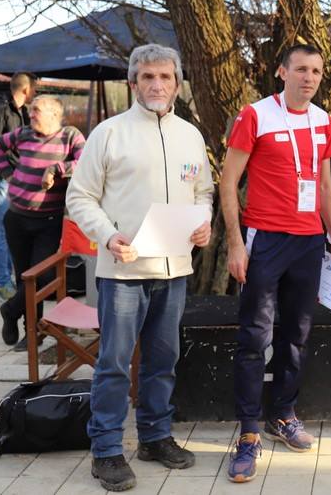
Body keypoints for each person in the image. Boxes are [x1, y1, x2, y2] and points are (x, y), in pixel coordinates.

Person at [66, 45, 213, 492]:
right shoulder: (109, 133)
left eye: (165, 77)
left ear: (177, 83)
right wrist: (108, 235)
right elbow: (79, 197)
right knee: (113, 363)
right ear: (132, 83)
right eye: (148, 76)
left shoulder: (190, 135)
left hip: (174, 270)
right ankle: (107, 449)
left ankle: (154, 437)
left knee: (162, 360)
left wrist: (204, 222)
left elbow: (202, 191)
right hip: (123, 272)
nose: (157, 85)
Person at [220, 45, 331, 483]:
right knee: (255, 336)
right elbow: (228, 182)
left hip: (309, 241)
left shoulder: (324, 119)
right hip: (265, 240)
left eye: (316, 71)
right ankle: (248, 432)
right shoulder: (255, 115)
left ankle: (283, 414)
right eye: (301, 69)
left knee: (297, 335)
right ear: (282, 72)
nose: (309, 78)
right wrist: (236, 244)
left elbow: (324, 185)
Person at [0, 96, 85, 351]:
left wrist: (56, 169)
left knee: (41, 277)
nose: (31, 115)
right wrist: (8, 174)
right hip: (16, 218)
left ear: (54, 114)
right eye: (31, 110)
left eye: (36, 111)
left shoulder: (70, 136)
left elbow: (86, 162)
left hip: (49, 220)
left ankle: (10, 310)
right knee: (24, 277)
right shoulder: (23, 133)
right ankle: (31, 333)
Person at [0, 73, 35, 302]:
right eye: (34, 89)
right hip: (0, 179)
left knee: (13, 230)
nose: (35, 93)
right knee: (1, 231)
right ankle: (2, 284)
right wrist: (9, 172)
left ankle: (13, 281)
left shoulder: (21, 111)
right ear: (26, 89)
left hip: (15, 179)